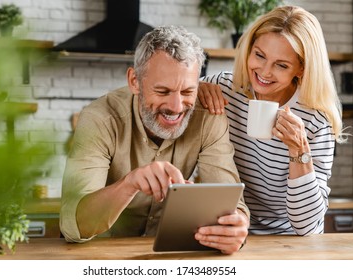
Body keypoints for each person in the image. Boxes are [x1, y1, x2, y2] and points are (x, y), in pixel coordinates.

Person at [60, 25, 250, 254]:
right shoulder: (100, 119)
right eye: (162, 91)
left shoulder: (209, 117)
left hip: (172, 255)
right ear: (135, 81)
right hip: (103, 256)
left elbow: (230, 203)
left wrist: (236, 228)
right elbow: (73, 225)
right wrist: (129, 184)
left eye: (188, 91)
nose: (176, 107)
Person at [198, 5, 347, 235]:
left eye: (281, 65)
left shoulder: (316, 120)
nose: (265, 72)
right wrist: (195, 89)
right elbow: (175, 93)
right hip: (229, 229)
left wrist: (299, 149)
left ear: (301, 69)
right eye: (259, 55)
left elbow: (307, 227)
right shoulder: (226, 89)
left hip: (287, 240)